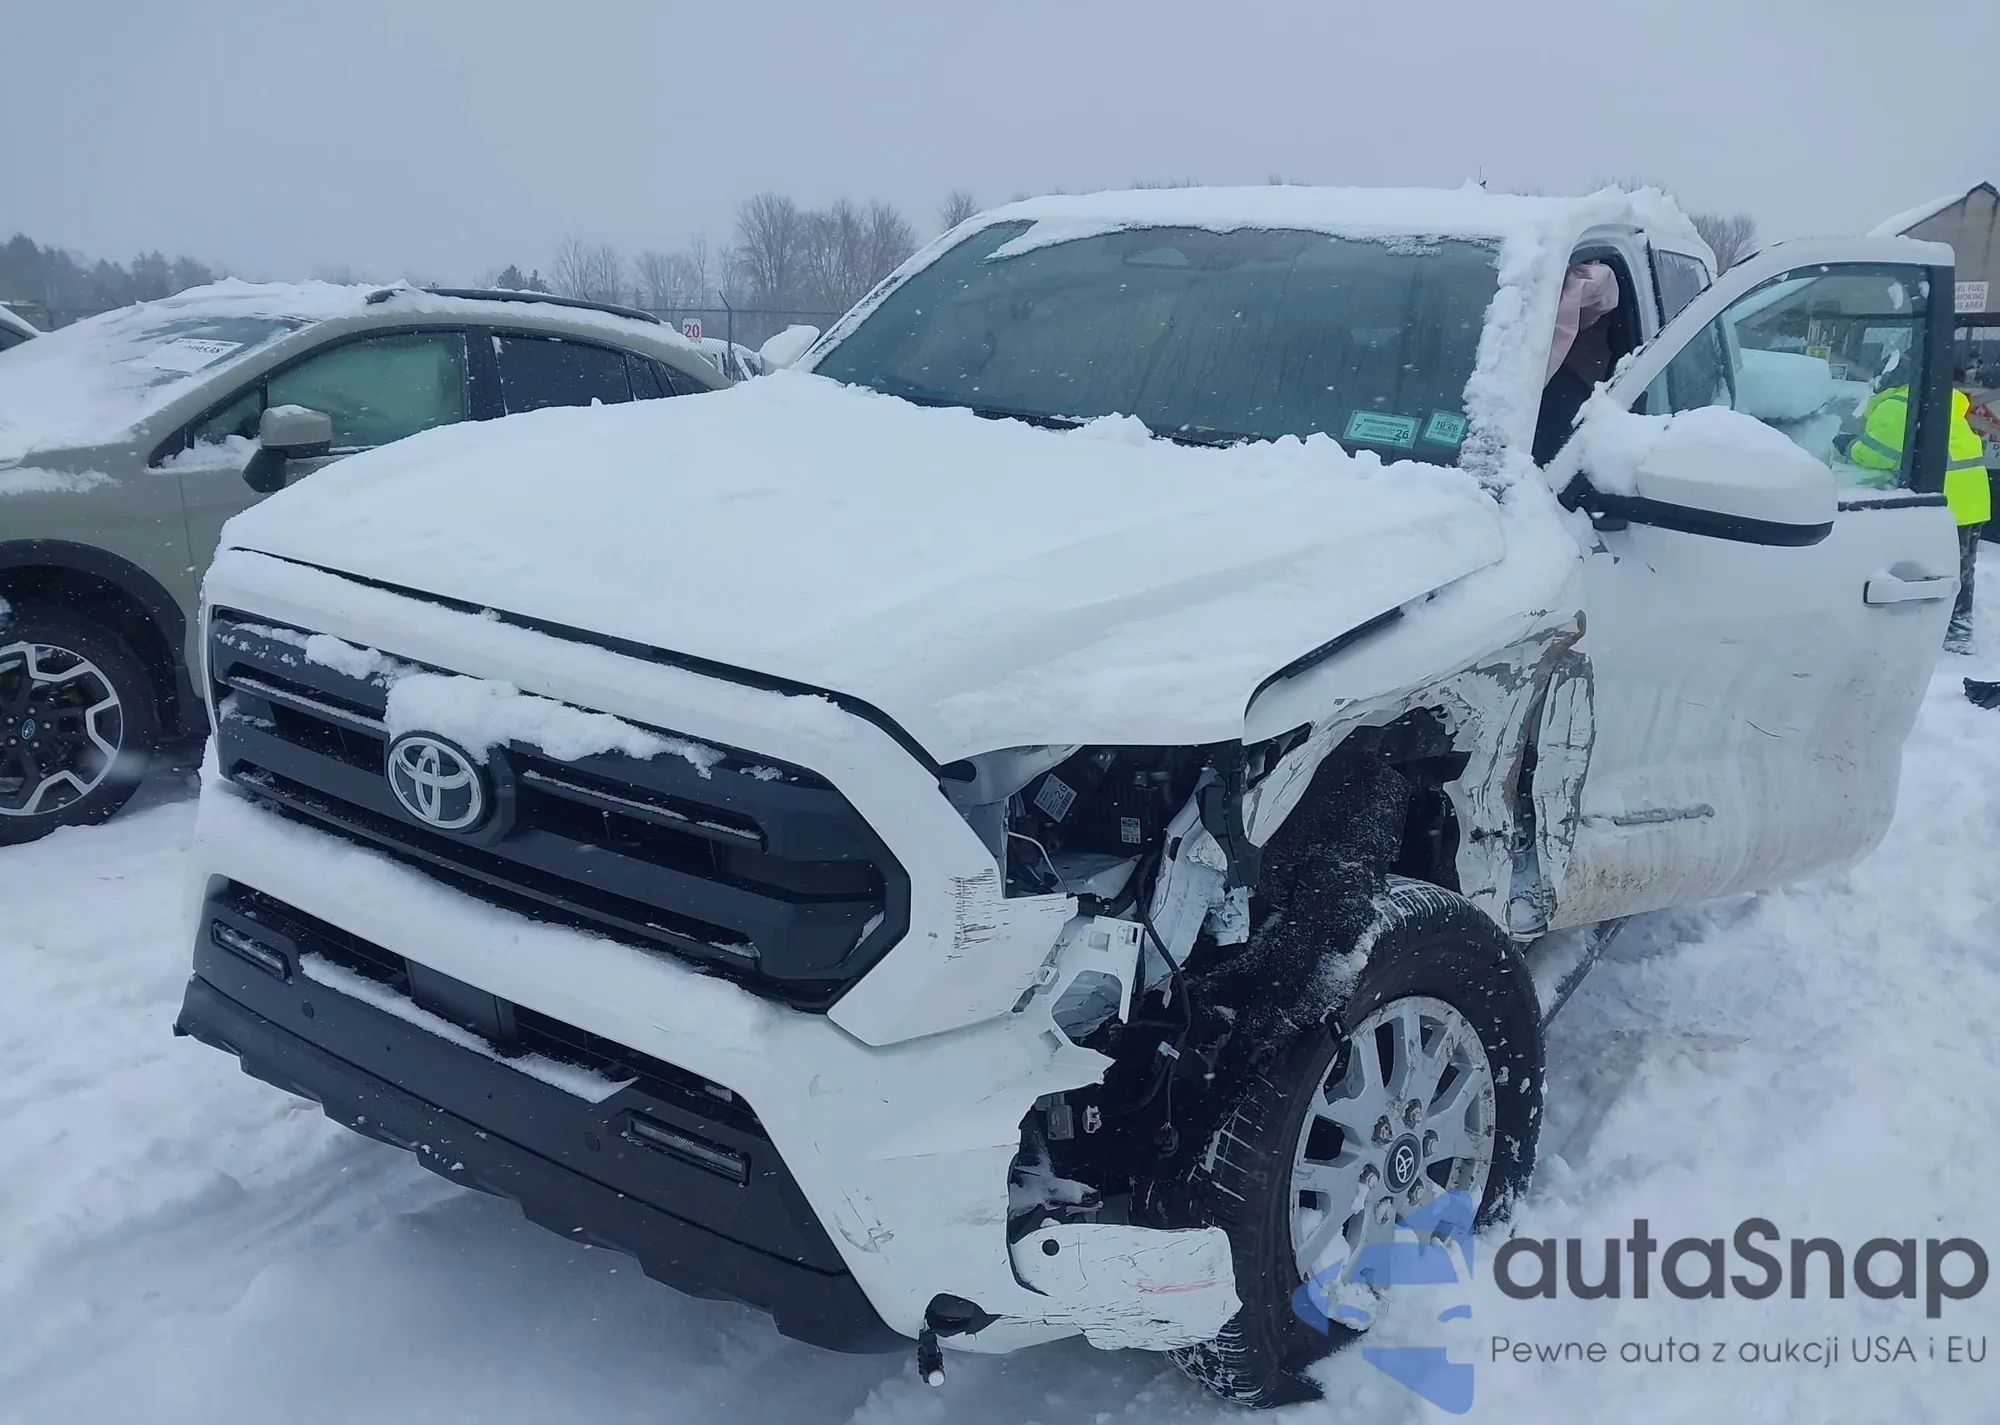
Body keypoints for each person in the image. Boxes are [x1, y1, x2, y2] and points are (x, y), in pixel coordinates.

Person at [1848, 363, 1989, 651]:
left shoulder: (1899, 404)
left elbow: (1875, 453)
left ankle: (1928, 630)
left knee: (1926, 567)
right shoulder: (1940, 400)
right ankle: (1958, 630)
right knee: (1961, 568)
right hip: (1972, 497)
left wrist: (1848, 445)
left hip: (1945, 499)